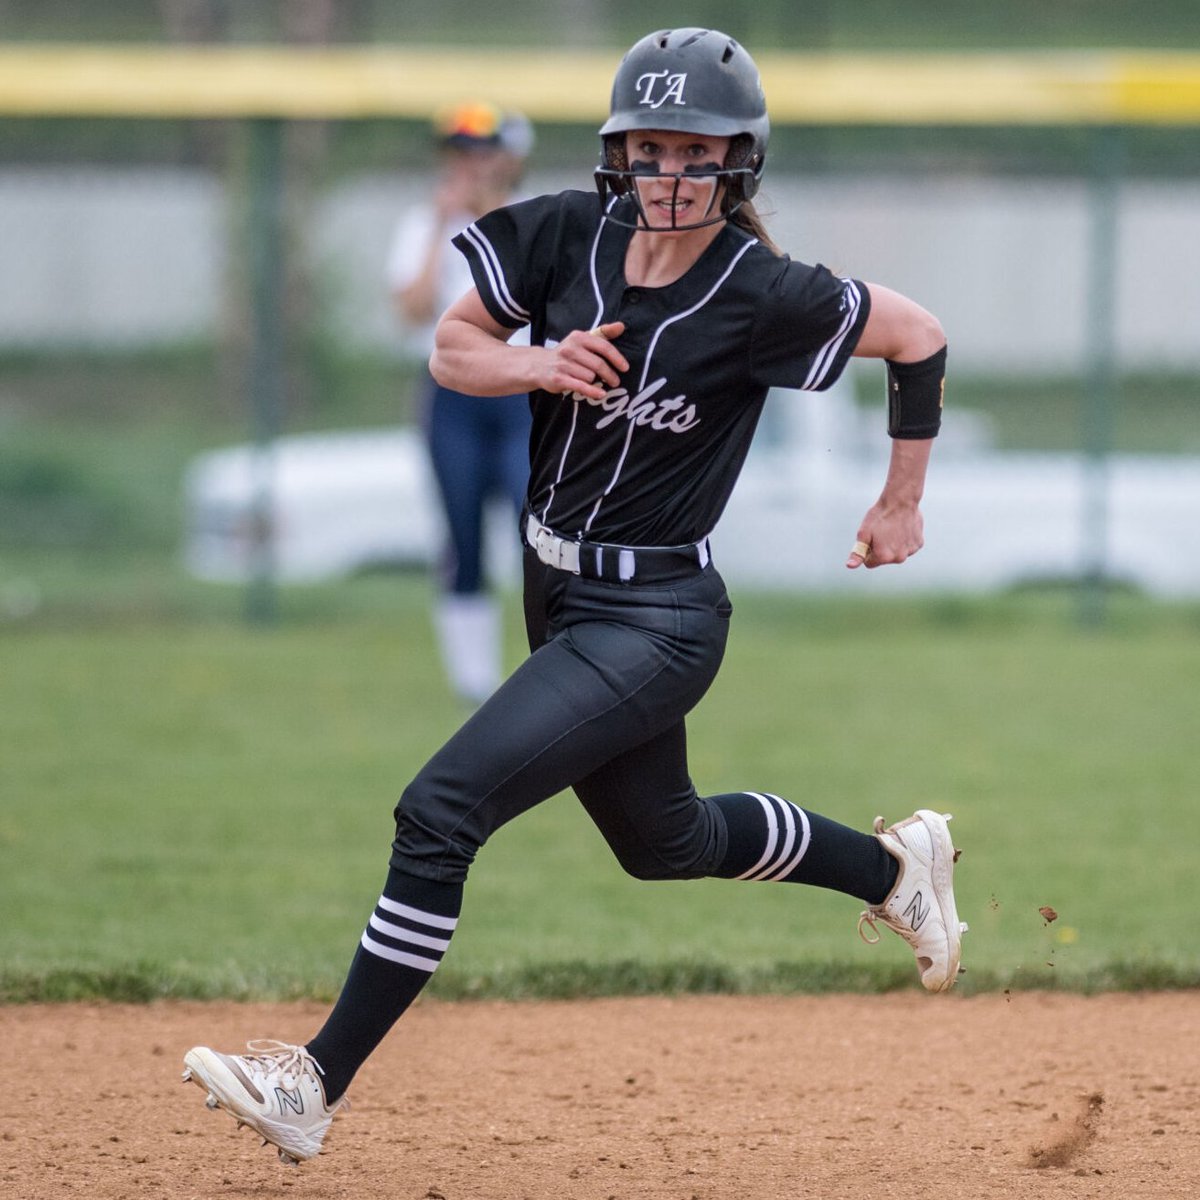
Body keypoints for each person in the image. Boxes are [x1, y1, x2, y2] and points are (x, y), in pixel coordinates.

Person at [183, 27, 966, 1167]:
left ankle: (311, 1081)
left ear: (739, 163)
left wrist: (900, 504)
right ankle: (896, 869)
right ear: (617, 154)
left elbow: (919, 336)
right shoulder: (562, 231)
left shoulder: (762, 291)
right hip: (557, 589)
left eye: (696, 153)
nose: (669, 174)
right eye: (648, 149)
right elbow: (456, 346)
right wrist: (534, 363)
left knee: (438, 810)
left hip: (659, 618)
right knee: (664, 840)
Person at [387, 101, 536, 706]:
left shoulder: (533, 220)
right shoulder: (425, 224)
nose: (471, 166)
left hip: (525, 393)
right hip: (454, 396)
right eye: (461, 154)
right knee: (462, 534)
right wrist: (440, 228)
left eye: (483, 153)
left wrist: (488, 216)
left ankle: (550, 662)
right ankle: (472, 680)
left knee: (540, 533)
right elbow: (412, 310)